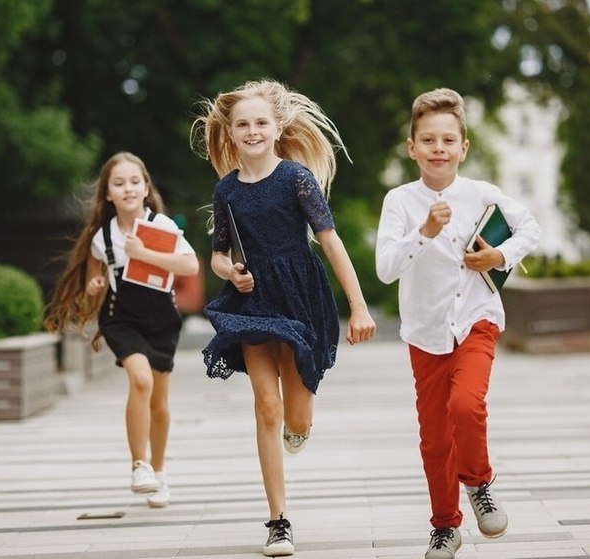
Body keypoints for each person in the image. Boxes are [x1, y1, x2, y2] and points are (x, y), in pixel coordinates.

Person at [190, 79, 376, 557]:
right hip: (252, 302)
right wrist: (229, 270)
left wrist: (357, 305)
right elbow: (218, 255)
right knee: (265, 408)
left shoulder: (296, 178)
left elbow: (330, 241)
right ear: (230, 133)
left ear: (277, 128)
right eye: (243, 124)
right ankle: (278, 521)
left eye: (260, 123)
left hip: (300, 296)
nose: (252, 131)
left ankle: (302, 425)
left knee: (296, 412)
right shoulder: (226, 189)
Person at [375, 88, 541, 559]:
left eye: (448, 139)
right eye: (428, 140)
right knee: (434, 438)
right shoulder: (400, 202)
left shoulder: (482, 194)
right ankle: (446, 527)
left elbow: (530, 227)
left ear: (463, 147)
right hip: (425, 334)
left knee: (467, 406)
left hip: (476, 321)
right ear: (412, 147)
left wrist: (499, 255)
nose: (439, 148)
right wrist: (423, 233)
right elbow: (386, 268)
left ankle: (480, 482)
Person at [44, 151, 199, 508]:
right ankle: (139, 466)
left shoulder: (161, 226)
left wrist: (144, 254)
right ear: (108, 194)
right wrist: (93, 287)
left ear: (146, 188)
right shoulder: (102, 238)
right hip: (122, 318)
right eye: (118, 183)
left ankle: (158, 473)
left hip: (161, 319)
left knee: (159, 404)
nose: (127, 188)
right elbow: (92, 283)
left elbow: (189, 265)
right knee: (140, 380)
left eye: (134, 181)